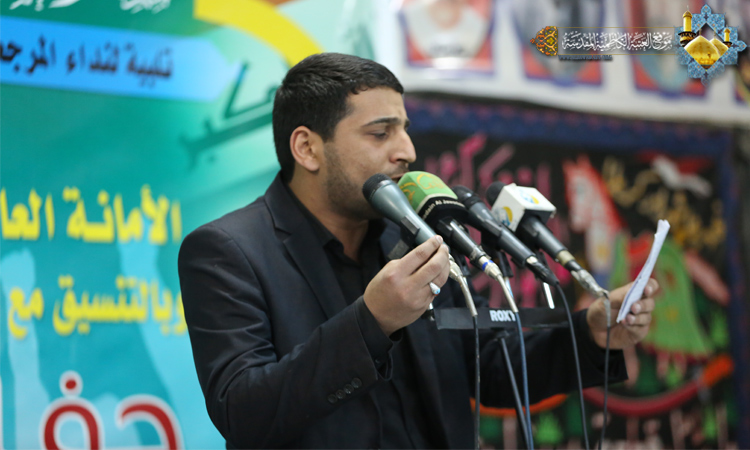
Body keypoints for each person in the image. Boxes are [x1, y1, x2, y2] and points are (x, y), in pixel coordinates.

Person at [178, 52, 659, 449]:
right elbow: (244, 412)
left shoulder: (410, 238)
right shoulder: (228, 251)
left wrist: (592, 334)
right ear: (307, 148)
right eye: (380, 132)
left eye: (405, 129)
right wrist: (372, 322)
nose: (406, 151)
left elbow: (490, 366)